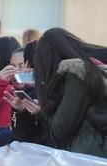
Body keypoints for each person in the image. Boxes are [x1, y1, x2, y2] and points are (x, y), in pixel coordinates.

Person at [11, 28, 107, 158]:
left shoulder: (77, 74)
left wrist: (42, 112)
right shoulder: (85, 71)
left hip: (91, 155)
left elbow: (60, 128)